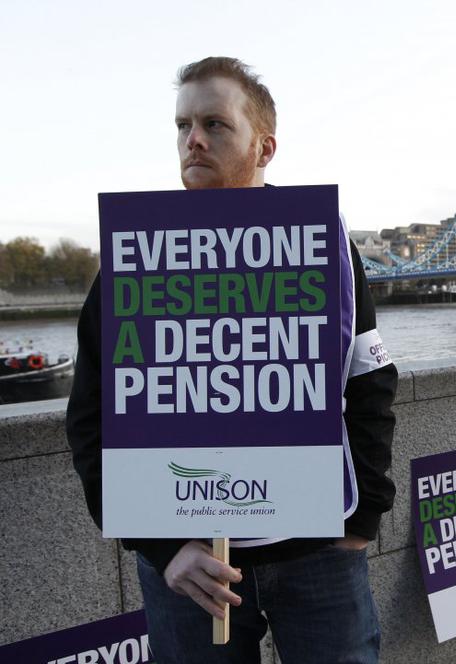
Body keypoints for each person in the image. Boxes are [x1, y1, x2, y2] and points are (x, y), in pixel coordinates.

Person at [67, 57, 397, 663]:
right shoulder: (138, 255)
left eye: (214, 124)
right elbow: (91, 414)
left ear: (264, 147)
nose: (192, 139)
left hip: (318, 553)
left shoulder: (320, 242)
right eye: (183, 125)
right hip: (190, 565)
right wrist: (162, 546)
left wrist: (362, 521)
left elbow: (369, 380)